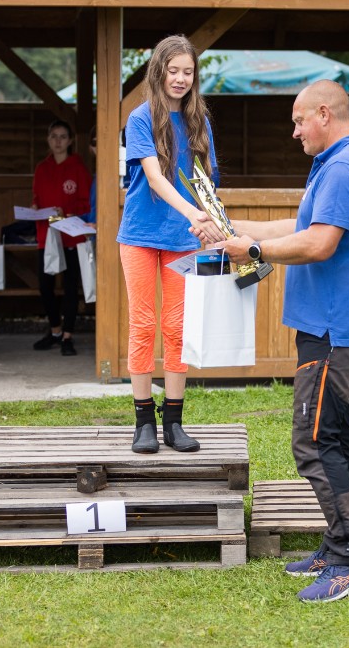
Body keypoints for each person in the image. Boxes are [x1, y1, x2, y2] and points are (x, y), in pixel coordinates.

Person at [212, 80, 349, 603]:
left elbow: (318, 243)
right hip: (333, 327)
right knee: (336, 436)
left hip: (334, 329)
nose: (294, 132)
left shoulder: (344, 167)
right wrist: (234, 230)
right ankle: (338, 545)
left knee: (313, 442)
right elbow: (303, 223)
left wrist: (253, 250)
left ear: (325, 114)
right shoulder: (342, 162)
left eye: (298, 120)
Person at [117, 34, 225, 454]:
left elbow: (206, 182)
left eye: (188, 72)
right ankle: (143, 421)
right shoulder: (140, 118)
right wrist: (192, 213)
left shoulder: (199, 121)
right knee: (143, 325)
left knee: (178, 328)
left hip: (185, 239)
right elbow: (156, 177)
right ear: (158, 72)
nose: (180, 78)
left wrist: (215, 221)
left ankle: (174, 421)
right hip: (141, 235)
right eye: (173, 70)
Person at [30, 119, 93, 356]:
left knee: (70, 287)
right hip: (46, 236)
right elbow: (36, 198)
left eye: (62, 137)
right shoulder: (41, 168)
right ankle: (55, 330)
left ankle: (68, 336)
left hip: (71, 236)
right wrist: (35, 208)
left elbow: (87, 204)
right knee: (45, 286)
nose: (58, 141)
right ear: (48, 139)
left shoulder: (78, 168)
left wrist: (66, 213)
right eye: (53, 136)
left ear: (70, 141)